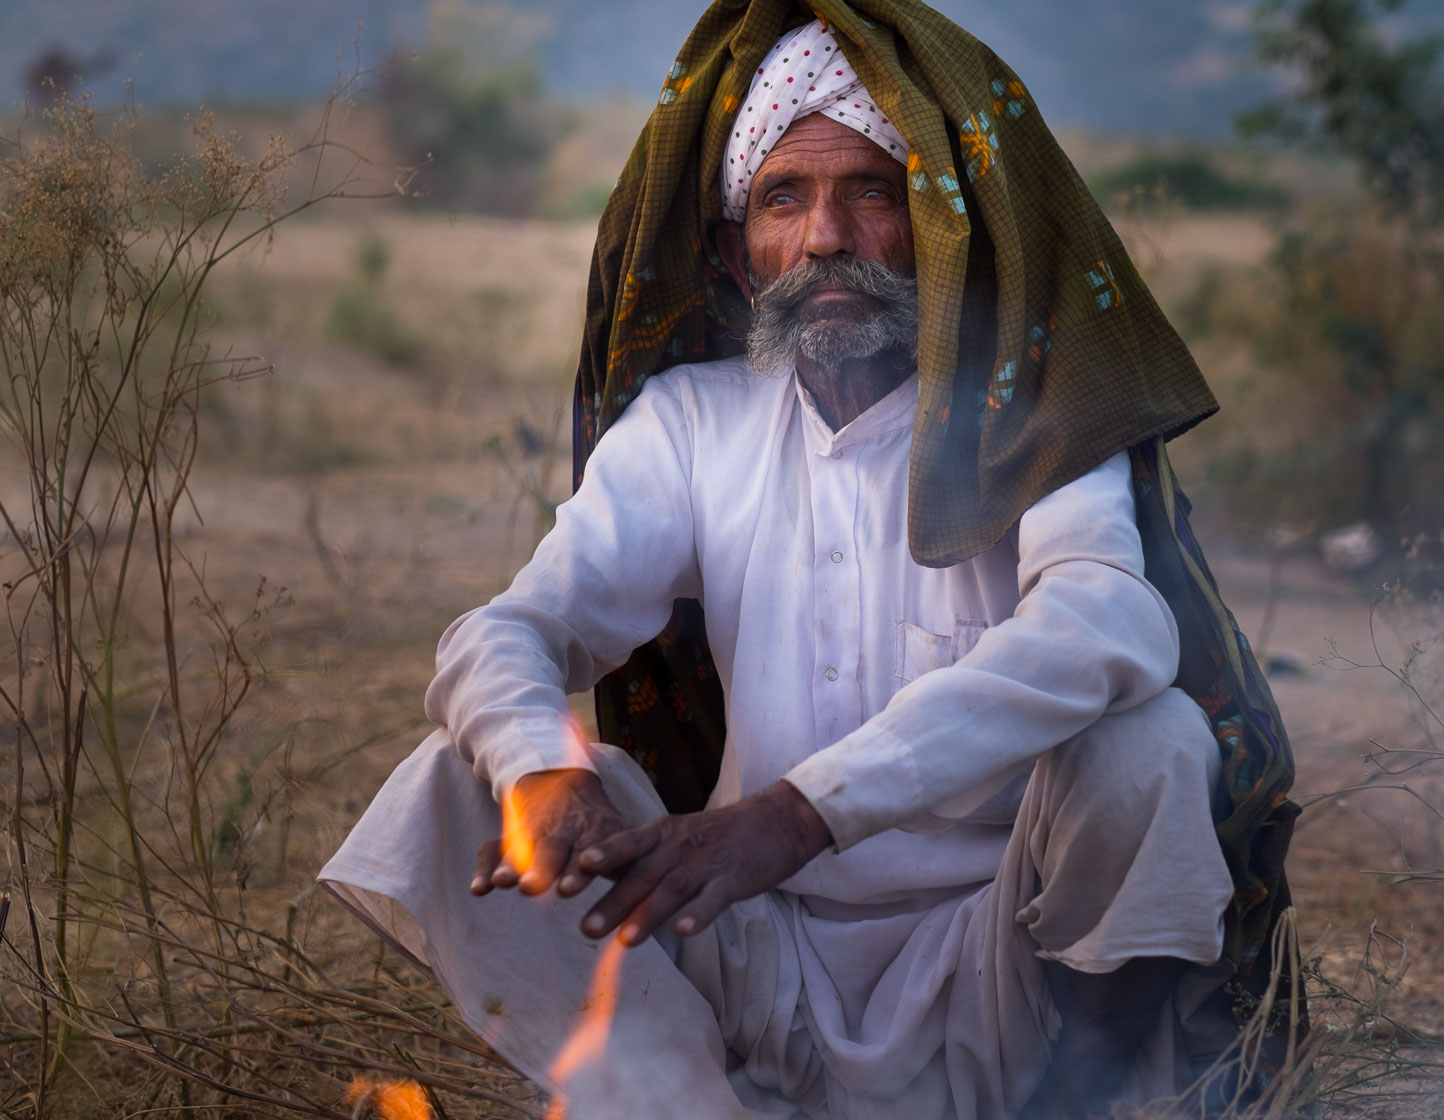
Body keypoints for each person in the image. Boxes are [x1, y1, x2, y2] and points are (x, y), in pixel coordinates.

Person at [320, 4, 1299, 1118]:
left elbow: (1110, 627)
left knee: (1149, 743)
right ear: (742, 253)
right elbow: (504, 634)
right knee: (460, 778)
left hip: (999, 983)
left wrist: (797, 812)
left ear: (940, 229)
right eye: (786, 198)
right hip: (749, 966)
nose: (826, 236)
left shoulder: (1031, 416)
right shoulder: (696, 423)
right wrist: (540, 768)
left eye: (872, 193)